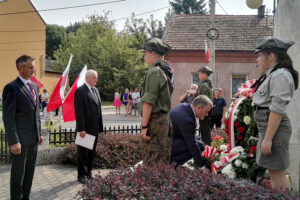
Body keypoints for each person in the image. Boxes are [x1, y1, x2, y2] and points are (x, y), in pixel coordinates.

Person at [251, 37, 298, 191]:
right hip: (269, 128)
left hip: (274, 130)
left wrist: (268, 139)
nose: (257, 59)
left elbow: (276, 110)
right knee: (273, 171)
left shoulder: (280, 75)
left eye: (259, 55)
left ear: (271, 56)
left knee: (277, 172)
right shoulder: (275, 74)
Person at [2, 55, 44, 200]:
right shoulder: (11, 88)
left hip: (33, 139)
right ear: (21, 69)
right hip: (20, 141)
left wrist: (40, 133)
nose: (34, 69)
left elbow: (36, 112)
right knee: (18, 175)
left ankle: (25, 197)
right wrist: (14, 141)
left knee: (29, 172)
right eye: (31, 67)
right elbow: (8, 117)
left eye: (34, 67)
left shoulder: (34, 86)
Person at [140, 38, 174, 165]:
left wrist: (144, 127)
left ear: (153, 54)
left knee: (151, 161)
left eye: (145, 54)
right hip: (164, 120)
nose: (144, 57)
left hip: (154, 121)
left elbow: (148, 102)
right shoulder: (167, 70)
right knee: (162, 159)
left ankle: (151, 186)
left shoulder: (155, 71)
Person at [74, 69, 104, 184]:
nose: (97, 80)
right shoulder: (80, 91)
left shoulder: (96, 90)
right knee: (83, 153)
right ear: (88, 78)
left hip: (94, 128)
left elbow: (98, 109)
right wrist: (81, 129)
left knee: (91, 152)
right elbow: (79, 111)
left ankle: (89, 173)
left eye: (96, 78)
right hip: (85, 129)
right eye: (94, 78)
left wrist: (100, 127)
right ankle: (81, 175)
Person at [170, 95, 212, 173]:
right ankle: (173, 165)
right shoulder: (187, 120)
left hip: (172, 138)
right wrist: (202, 167)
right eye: (206, 112)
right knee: (199, 145)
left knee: (198, 139)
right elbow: (192, 145)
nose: (207, 114)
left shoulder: (185, 106)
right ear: (199, 108)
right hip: (168, 146)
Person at [197, 66, 214, 145]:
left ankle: (206, 150)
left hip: (204, 111)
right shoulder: (209, 84)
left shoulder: (204, 85)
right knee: (206, 130)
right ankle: (207, 148)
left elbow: (201, 100)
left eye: (200, 74)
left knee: (204, 131)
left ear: (204, 74)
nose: (199, 76)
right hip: (207, 111)